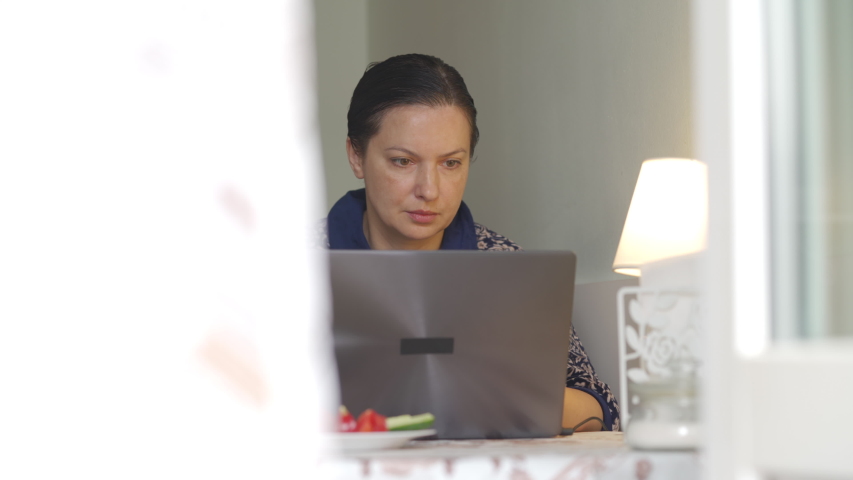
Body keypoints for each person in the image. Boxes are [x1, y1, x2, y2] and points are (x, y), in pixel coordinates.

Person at [321, 53, 620, 432]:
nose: (429, 190)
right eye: (402, 161)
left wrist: (501, 398)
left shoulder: (506, 267)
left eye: (450, 163)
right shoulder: (291, 265)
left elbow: (601, 408)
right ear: (356, 156)